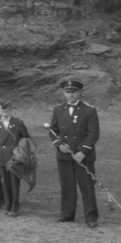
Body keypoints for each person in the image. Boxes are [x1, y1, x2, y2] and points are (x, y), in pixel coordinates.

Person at [48, 79, 100, 227]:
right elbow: (53, 131)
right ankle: (67, 214)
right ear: (64, 93)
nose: (71, 95)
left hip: (83, 156)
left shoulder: (89, 110)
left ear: (79, 93)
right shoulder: (58, 110)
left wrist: (83, 152)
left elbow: (93, 134)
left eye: (74, 92)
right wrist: (58, 145)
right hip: (64, 155)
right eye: (68, 92)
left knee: (87, 187)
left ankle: (91, 217)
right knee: (67, 186)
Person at [0, 101, 32, 216]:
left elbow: (26, 139)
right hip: (1, 156)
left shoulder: (18, 122)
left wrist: (21, 152)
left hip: (14, 157)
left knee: (14, 182)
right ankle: (7, 203)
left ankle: (15, 205)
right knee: (5, 181)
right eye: (2, 111)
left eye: (7, 111)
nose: (4, 114)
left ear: (11, 111)